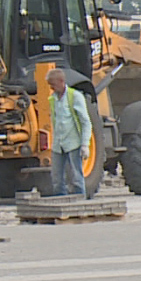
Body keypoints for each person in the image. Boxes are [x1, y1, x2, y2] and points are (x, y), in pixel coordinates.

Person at [46, 67, 94, 198]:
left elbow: (85, 122)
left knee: (76, 176)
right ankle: (60, 201)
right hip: (58, 144)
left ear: (61, 81)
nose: (52, 88)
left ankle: (80, 202)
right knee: (56, 177)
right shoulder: (52, 99)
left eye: (53, 85)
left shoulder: (75, 97)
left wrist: (85, 145)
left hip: (73, 143)